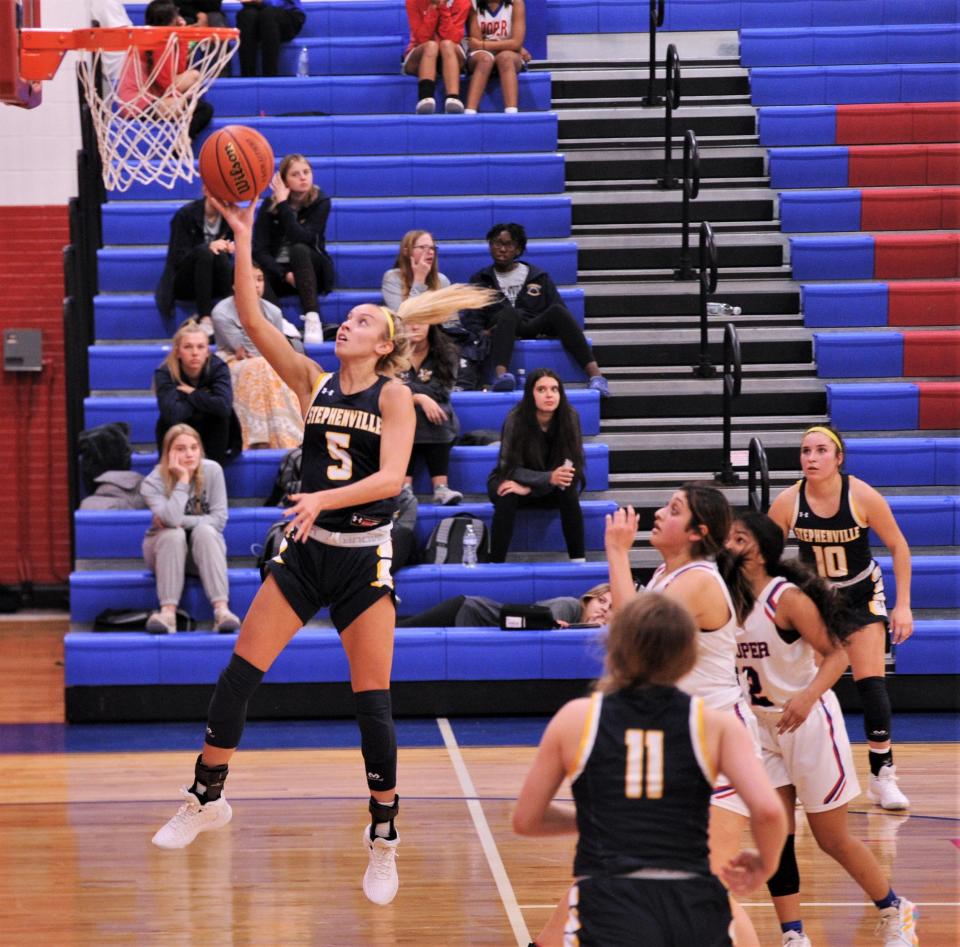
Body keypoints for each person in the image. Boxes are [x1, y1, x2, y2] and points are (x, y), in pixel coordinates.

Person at [150, 188, 495, 908]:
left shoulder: (394, 396)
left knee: (372, 703)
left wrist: (318, 498)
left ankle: (384, 834)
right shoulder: (313, 379)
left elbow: (395, 477)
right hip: (308, 552)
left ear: (384, 342)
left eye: (363, 319)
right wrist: (244, 234)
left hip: (362, 556)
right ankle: (206, 796)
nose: (348, 322)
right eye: (349, 316)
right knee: (239, 674)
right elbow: (248, 318)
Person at [513, 593, 787, 947]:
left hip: (610, 901)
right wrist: (765, 863)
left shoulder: (576, 719)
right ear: (690, 659)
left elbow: (526, 819)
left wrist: (597, 818)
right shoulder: (716, 726)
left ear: (612, 650)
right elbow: (768, 811)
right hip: (692, 904)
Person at [726, 511, 919, 947]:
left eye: (738, 538)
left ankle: (895, 909)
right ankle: (793, 935)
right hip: (761, 728)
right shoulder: (728, 599)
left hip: (809, 723)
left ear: (758, 549)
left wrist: (808, 695)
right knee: (775, 836)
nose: (729, 546)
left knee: (831, 838)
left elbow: (837, 655)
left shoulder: (787, 598)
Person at [601, 489, 762, 947]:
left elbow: (631, 640)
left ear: (698, 532)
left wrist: (615, 551)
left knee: (707, 881)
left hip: (718, 746)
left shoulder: (698, 581)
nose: (657, 513)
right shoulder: (665, 575)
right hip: (677, 744)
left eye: (673, 511)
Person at [768, 425, 914, 811]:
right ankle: (799, 779)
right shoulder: (787, 502)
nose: (811, 458)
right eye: (805, 451)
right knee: (809, 689)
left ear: (838, 457)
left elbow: (899, 546)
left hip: (861, 593)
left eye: (820, 451)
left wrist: (904, 605)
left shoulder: (862, 495)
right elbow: (764, 556)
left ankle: (883, 776)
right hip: (815, 599)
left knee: (872, 684)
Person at [462, 223, 610, 395]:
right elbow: (471, 318)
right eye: (497, 243)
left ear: (518, 249)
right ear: (490, 246)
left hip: (532, 324)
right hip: (500, 326)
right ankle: (502, 377)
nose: (502, 249)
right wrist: (484, 333)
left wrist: (546, 332)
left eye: (508, 245)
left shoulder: (538, 276)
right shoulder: (480, 279)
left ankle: (596, 376)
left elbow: (557, 309)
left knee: (558, 311)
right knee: (509, 312)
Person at [141, 423, 241, 634]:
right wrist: (183, 480)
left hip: (202, 554)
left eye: (194, 447)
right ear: (168, 453)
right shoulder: (152, 482)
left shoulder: (212, 471)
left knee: (204, 532)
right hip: (163, 555)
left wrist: (180, 521)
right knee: (173, 534)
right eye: (180, 448)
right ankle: (168, 614)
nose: (189, 454)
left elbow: (219, 520)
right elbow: (171, 520)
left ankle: (222, 611)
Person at [487, 368, 585, 563]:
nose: (549, 395)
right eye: (541, 389)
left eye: (554, 389)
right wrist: (546, 479)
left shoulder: (570, 417)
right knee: (507, 493)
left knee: (569, 489)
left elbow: (570, 467)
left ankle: (578, 561)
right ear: (530, 394)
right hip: (513, 479)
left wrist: (532, 487)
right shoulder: (515, 418)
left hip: (548, 488)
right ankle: (495, 563)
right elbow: (509, 468)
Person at [211, 264, 304, 450]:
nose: (256, 285)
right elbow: (246, 349)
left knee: (274, 368)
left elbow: (278, 349)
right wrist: (250, 311)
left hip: (266, 362)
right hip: (231, 362)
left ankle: (291, 435)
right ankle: (255, 438)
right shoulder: (221, 312)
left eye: (260, 279)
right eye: (250, 279)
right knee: (259, 366)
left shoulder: (274, 311)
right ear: (236, 285)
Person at [253, 153, 335, 346]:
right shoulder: (268, 205)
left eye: (306, 172)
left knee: (298, 249)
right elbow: (259, 250)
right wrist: (284, 275)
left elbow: (304, 238)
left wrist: (283, 205)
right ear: (284, 181)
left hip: (313, 271)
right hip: (280, 273)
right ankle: (277, 321)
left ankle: (312, 317)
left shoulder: (320, 201)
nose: (303, 177)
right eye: (295, 174)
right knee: (255, 269)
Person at [117, 0, 213, 139]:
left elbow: (174, 76)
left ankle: (183, 138)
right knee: (201, 106)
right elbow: (167, 85)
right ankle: (182, 141)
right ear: (172, 20)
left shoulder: (154, 37)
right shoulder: (159, 43)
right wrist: (182, 38)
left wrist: (181, 38)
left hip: (147, 99)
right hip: (138, 105)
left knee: (195, 82)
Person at [154, 320, 241, 466]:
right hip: (179, 430)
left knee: (220, 417)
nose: (195, 353)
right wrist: (206, 398)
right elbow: (173, 414)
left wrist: (192, 394)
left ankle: (214, 468)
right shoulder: (164, 373)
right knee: (169, 420)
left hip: (214, 432)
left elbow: (224, 407)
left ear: (207, 352)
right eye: (188, 347)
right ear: (178, 352)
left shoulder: (218, 367)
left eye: (200, 347)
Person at [397, 319, 463, 505]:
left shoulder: (446, 352)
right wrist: (419, 398)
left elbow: (441, 391)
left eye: (422, 321)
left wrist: (406, 391)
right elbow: (385, 389)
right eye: (411, 322)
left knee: (436, 410)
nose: (415, 325)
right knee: (405, 413)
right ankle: (406, 487)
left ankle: (439, 489)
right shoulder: (391, 352)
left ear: (431, 324)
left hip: (436, 417)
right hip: (399, 414)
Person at [155, 192, 235, 335]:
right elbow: (177, 258)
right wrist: (208, 246)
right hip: (186, 282)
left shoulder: (230, 216)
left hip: (215, 280)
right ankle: (205, 318)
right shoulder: (185, 215)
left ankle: (232, 314)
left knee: (221, 256)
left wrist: (232, 247)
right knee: (205, 253)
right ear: (206, 189)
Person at [398, 582, 611, 627]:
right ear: (588, 598)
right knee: (399, 632)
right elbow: (550, 623)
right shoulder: (570, 606)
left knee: (404, 625)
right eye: (601, 601)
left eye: (611, 608)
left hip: (469, 614)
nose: (603, 609)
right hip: (468, 610)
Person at [463, 0, 531, 114]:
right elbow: (476, 42)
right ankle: (470, 111)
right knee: (485, 59)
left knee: (506, 58)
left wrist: (484, 44)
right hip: (482, 54)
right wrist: (509, 45)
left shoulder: (516, 3)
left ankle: (511, 113)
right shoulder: (472, 5)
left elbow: (516, 42)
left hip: (507, 53)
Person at [403, 0, 471, 114]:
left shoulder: (462, 2)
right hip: (420, 53)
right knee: (431, 46)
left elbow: (453, 37)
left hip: (451, 53)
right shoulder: (413, 1)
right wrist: (433, 8)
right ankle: (425, 98)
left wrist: (443, 8)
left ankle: (453, 98)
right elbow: (421, 38)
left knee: (447, 44)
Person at [235, 0, 306, 77]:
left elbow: (278, 3)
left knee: (268, 14)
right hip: (260, 16)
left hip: (289, 15)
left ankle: (269, 76)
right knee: (246, 15)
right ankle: (247, 77)